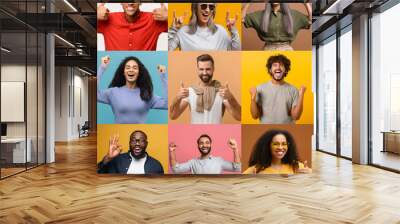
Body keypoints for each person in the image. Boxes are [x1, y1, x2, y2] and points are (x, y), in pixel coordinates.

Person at [169, 54, 241, 124]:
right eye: (201, 69)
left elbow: (239, 117)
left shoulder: (222, 92)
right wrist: (177, 97)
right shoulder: (190, 91)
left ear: (213, 69)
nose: (204, 73)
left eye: (208, 69)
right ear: (197, 70)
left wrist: (231, 97)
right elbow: (173, 116)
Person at [97, 55, 168, 124]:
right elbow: (94, 94)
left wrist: (163, 76)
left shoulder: (146, 94)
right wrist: (102, 67)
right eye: (128, 67)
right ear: (123, 72)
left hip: (139, 134)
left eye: (135, 68)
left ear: (139, 73)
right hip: (119, 134)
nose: (131, 70)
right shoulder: (113, 92)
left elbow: (167, 104)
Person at [249, 54, 305, 124]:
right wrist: (253, 98)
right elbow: (255, 116)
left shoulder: (293, 90)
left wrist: (301, 95)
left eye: (281, 65)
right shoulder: (260, 89)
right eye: (275, 65)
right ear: (270, 70)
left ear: (286, 70)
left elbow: (296, 117)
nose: (278, 67)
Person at [168, 3, 241, 51]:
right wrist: (173, 29)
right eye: (203, 6)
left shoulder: (221, 31)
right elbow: (167, 52)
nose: (207, 10)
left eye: (211, 7)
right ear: (195, 8)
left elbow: (236, 53)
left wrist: (233, 30)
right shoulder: (183, 31)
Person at [242, 2, 312, 50]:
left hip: (287, 50)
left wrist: (306, 3)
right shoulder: (260, 15)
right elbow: (242, 19)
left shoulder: (293, 14)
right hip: (268, 49)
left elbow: (309, 20)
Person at [97, 3, 168, 50]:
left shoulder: (154, 18)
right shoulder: (106, 18)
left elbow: (178, 30)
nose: (130, 3)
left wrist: (168, 15)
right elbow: (87, 33)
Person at [243, 130, 311, 174]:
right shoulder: (255, 169)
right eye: (276, 144)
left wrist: (309, 175)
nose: (280, 148)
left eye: (284, 144)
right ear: (267, 146)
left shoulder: (296, 166)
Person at [98, 130, 164, 174]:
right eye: (133, 140)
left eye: (141, 140)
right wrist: (108, 158)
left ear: (146, 144)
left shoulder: (156, 165)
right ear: (129, 143)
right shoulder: (117, 160)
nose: (137, 143)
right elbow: (98, 173)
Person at [169, 134, 241, 174]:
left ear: (211, 145)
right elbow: (176, 170)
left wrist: (235, 149)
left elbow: (237, 168)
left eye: (207, 143)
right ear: (198, 146)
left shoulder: (219, 161)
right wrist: (172, 151)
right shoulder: (193, 162)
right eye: (201, 143)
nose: (204, 145)